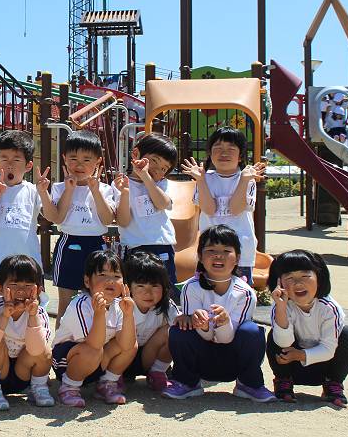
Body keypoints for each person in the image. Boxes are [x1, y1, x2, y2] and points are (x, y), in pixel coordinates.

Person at [163, 225, 276, 403]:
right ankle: (187, 382)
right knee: (180, 328)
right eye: (211, 250)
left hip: (232, 359)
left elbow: (227, 338)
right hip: (202, 359)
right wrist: (203, 326)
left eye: (226, 251)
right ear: (200, 256)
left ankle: (249, 384)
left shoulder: (245, 293)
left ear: (237, 258)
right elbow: (204, 336)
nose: (218, 255)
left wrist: (224, 322)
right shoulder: (191, 288)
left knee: (252, 331)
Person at [38, 130, 117, 324]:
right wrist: (68, 190)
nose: (79, 165)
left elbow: (107, 219)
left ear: (98, 161)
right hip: (69, 244)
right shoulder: (59, 187)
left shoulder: (105, 189)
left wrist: (95, 191)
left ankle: (97, 337)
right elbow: (57, 218)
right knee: (66, 303)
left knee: (99, 300)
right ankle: (61, 341)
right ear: (64, 159)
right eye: (73, 158)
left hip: (97, 245)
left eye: (86, 159)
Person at [267, 249, 348, 407]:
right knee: (274, 334)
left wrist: (300, 355)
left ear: (319, 277)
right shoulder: (281, 306)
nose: (298, 283)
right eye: (289, 278)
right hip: (291, 364)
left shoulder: (329, 308)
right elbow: (283, 343)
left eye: (305, 276)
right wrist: (281, 308)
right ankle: (283, 380)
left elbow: (328, 349)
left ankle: (333, 383)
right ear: (279, 283)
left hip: (324, 365)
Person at [51, 250, 137, 406]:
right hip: (67, 361)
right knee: (92, 350)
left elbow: (127, 345)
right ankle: (69, 387)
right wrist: (99, 314)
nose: (110, 281)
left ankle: (106, 383)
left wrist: (128, 315)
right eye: (102, 275)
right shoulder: (80, 304)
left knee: (131, 344)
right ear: (87, 281)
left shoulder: (119, 305)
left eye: (116, 276)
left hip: (96, 357)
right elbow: (94, 344)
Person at [182, 127, 266, 283]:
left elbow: (236, 209)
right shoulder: (204, 178)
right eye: (218, 148)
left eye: (231, 149)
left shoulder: (247, 178)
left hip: (240, 251)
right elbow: (209, 209)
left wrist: (244, 180)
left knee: (239, 293)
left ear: (240, 156)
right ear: (210, 153)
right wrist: (200, 180)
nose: (224, 153)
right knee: (207, 290)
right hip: (209, 249)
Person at [0, 254, 54, 410]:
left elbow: (37, 350)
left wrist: (32, 317)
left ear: (38, 290)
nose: (21, 291)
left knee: (45, 349)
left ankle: (39, 388)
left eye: (28, 285)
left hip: (23, 374)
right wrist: (5, 316)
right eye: (14, 284)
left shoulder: (39, 313)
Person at [0, 130, 43, 304]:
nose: (9, 165)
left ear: (28, 165)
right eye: (4, 158)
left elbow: (53, 217)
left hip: (29, 266)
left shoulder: (33, 190)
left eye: (16, 160)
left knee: (31, 311)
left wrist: (44, 192)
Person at [113, 133, 180, 286]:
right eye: (154, 161)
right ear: (136, 154)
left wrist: (146, 178)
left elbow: (162, 204)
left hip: (161, 245)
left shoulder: (161, 184)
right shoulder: (121, 184)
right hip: (134, 247)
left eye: (164, 168)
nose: (157, 169)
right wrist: (125, 193)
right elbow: (123, 221)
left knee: (165, 290)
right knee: (136, 290)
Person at [123, 251, 179, 392]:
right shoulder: (120, 306)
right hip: (120, 358)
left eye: (154, 286)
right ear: (128, 287)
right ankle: (111, 377)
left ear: (164, 287)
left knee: (174, 330)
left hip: (148, 358)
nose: (148, 292)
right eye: (141, 286)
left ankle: (157, 372)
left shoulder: (167, 306)